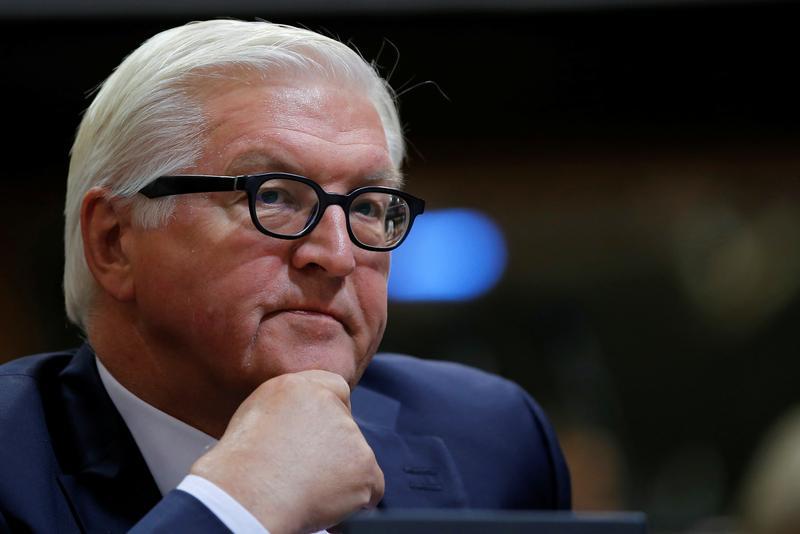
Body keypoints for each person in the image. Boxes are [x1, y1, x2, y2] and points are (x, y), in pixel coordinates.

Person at [0, 19, 570, 533]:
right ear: (114, 241)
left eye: (369, 207)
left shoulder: (492, 436)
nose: (338, 255)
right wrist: (239, 504)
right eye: (273, 196)